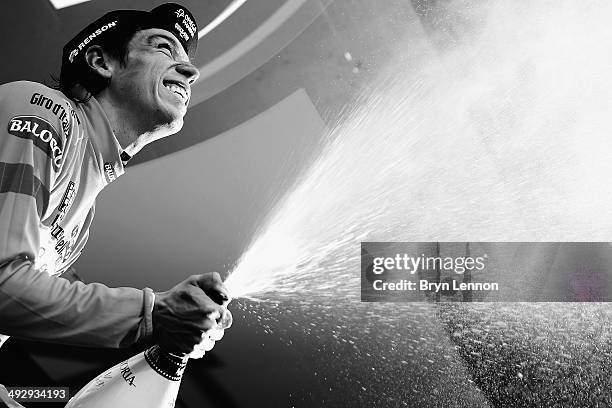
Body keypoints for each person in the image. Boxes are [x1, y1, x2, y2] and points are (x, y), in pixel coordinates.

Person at [0, 1, 230, 384]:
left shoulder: (81, 220)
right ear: (101, 61)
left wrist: (173, 324)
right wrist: (152, 315)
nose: (190, 71)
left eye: (186, 60)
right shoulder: (44, 112)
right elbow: (3, 283)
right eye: (162, 47)